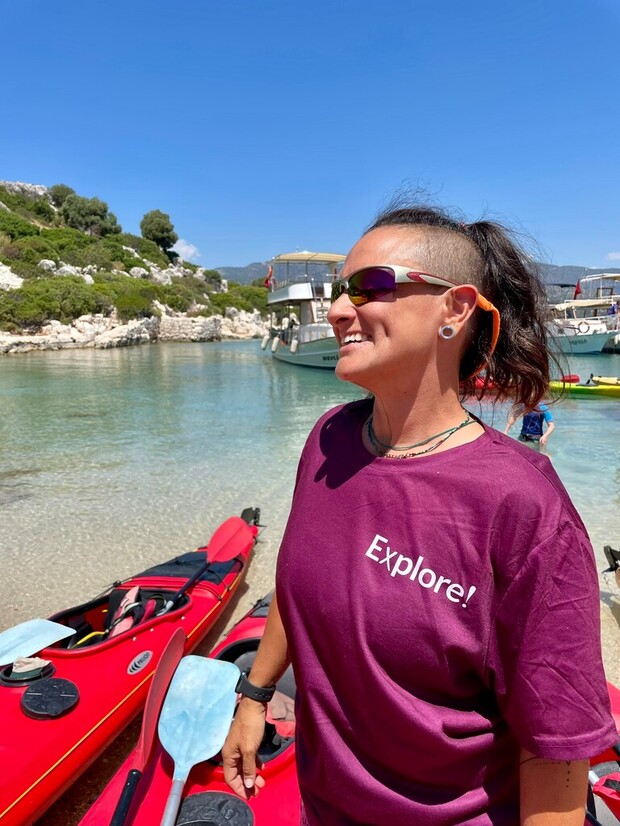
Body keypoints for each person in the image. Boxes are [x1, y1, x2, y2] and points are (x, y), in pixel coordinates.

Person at [222, 203, 616, 825]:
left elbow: (554, 748)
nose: (337, 309)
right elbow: (300, 585)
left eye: (369, 286)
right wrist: (254, 693)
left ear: (455, 310)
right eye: (335, 290)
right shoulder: (328, 439)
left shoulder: (521, 502)